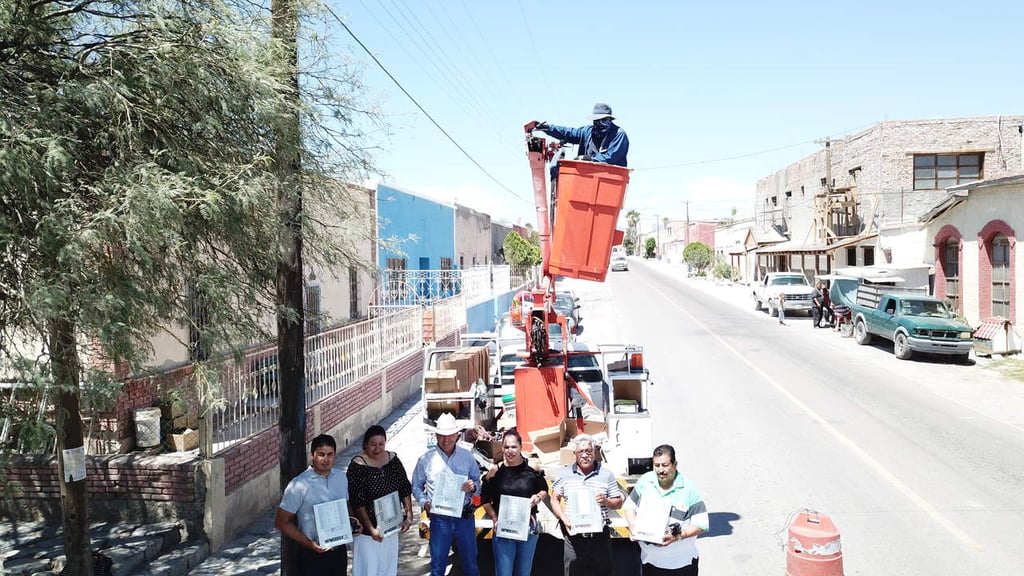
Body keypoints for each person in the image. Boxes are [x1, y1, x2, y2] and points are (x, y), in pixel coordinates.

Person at [274, 434, 360, 576]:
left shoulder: (341, 477)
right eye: (321, 454)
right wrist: (310, 544)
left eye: (330, 454)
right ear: (312, 455)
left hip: (338, 552)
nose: (326, 459)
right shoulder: (299, 484)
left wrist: (353, 522)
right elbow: (281, 522)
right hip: (311, 556)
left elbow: (346, 505)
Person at [412, 413, 482, 576]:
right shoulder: (425, 460)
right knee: (437, 568)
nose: (446, 440)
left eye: (450, 435)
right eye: (442, 436)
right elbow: (415, 485)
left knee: (471, 566)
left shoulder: (467, 457)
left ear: (457, 435)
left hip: (464, 518)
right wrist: (424, 502)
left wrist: (472, 487)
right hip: (440, 519)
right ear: (436, 435)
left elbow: (477, 483)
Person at [624, 445, 708, 575]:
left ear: (675, 464)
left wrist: (678, 536)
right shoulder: (646, 481)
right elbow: (629, 505)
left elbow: (701, 524)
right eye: (656, 465)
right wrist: (633, 526)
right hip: (650, 563)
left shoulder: (689, 489)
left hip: (682, 565)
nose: (660, 470)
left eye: (665, 465)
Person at [550, 434, 624, 576]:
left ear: (595, 452)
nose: (585, 455)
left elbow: (618, 503)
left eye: (588, 451)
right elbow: (554, 499)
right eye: (580, 452)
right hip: (573, 536)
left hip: (599, 536)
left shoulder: (606, 475)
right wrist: (564, 519)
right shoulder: (564, 474)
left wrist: (606, 501)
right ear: (575, 454)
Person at [347, 425, 415, 576]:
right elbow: (358, 500)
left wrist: (409, 515)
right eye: (373, 444)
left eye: (381, 444)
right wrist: (370, 528)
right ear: (366, 444)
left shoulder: (393, 460)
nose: (377, 448)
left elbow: (404, 487)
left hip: (391, 526)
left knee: (387, 568)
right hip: (368, 533)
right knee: (368, 568)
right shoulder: (357, 466)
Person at [481, 429, 548, 576]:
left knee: (524, 572)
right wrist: (495, 519)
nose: (509, 451)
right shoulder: (495, 472)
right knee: (504, 573)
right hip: (503, 529)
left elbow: (544, 489)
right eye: (506, 447)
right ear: (502, 448)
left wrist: (537, 498)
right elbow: (485, 500)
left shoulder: (532, 468)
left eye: (513, 447)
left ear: (520, 447)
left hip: (528, 529)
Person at [534, 103, 630, 167]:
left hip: (609, 179)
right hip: (586, 175)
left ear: (609, 119)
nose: (598, 123)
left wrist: (588, 159)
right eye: (596, 120)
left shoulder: (619, 135)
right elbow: (568, 133)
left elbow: (610, 159)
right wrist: (548, 128)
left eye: (603, 120)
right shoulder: (588, 131)